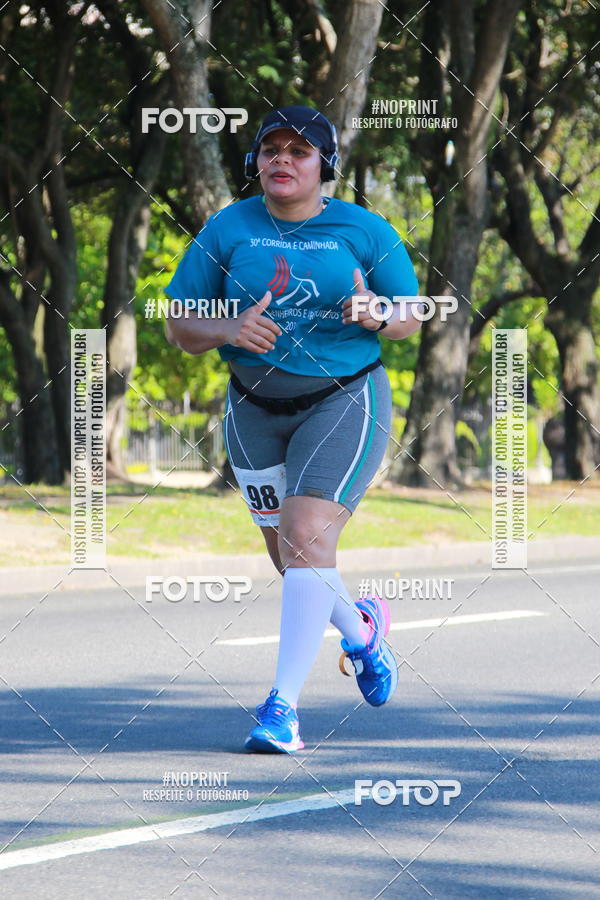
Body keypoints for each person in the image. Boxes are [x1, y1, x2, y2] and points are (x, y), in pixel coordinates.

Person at [165, 105, 422, 753]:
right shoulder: (228, 228)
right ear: (255, 162)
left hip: (344, 399)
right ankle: (363, 634)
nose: (283, 159)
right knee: (289, 557)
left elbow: (414, 312)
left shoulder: (363, 230)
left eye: (300, 151)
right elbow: (178, 325)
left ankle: (282, 709)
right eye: (271, 149)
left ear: (324, 167)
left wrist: (378, 311)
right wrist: (228, 328)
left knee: (306, 536)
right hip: (252, 406)